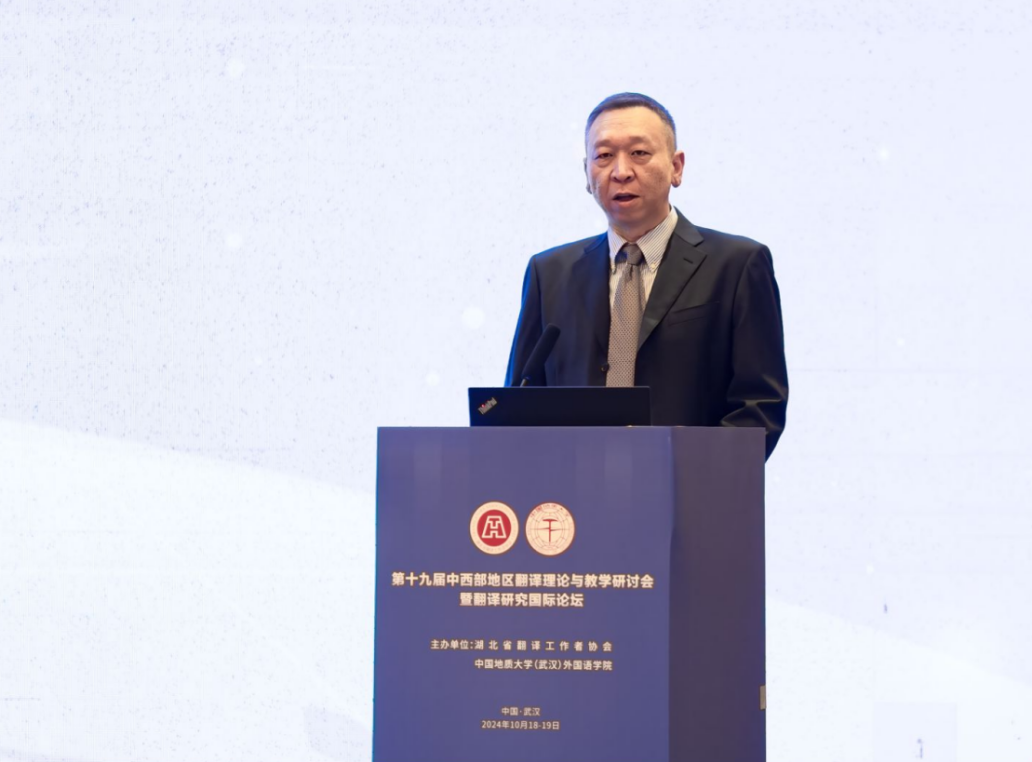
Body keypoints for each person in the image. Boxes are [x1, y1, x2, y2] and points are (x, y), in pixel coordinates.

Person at [505, 92, 788, 459]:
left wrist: (686, 478)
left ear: (676, 167)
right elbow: (519, 403)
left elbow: (759, 407)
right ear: (587, 174)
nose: (621, 171)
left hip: (687, 489)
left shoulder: (737, 265)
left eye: (639, 153)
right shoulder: (549, 273)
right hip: (574, 489)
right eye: (604, 156)